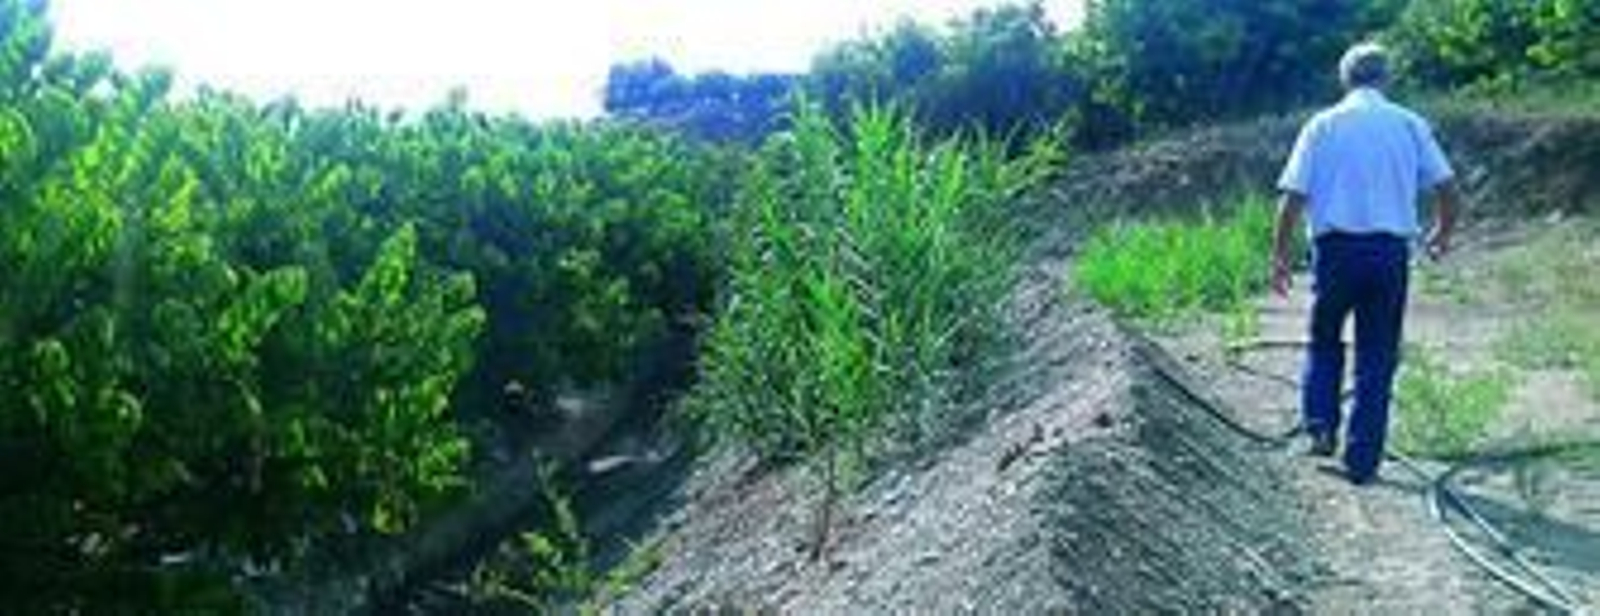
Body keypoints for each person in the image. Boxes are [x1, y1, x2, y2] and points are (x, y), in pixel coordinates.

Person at [1270, 42, 1459, 485]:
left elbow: (1292, 197)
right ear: (1385, 78)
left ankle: (1320, 427)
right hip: (1388, 254)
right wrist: (1442, 233)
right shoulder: (1409, 124)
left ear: (1344, 79)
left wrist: (1279, 255)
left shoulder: (1322, 126)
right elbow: (1449, 190)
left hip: (1335, 253)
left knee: (1324, 339)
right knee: (1377, 353)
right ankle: (1362, 460)